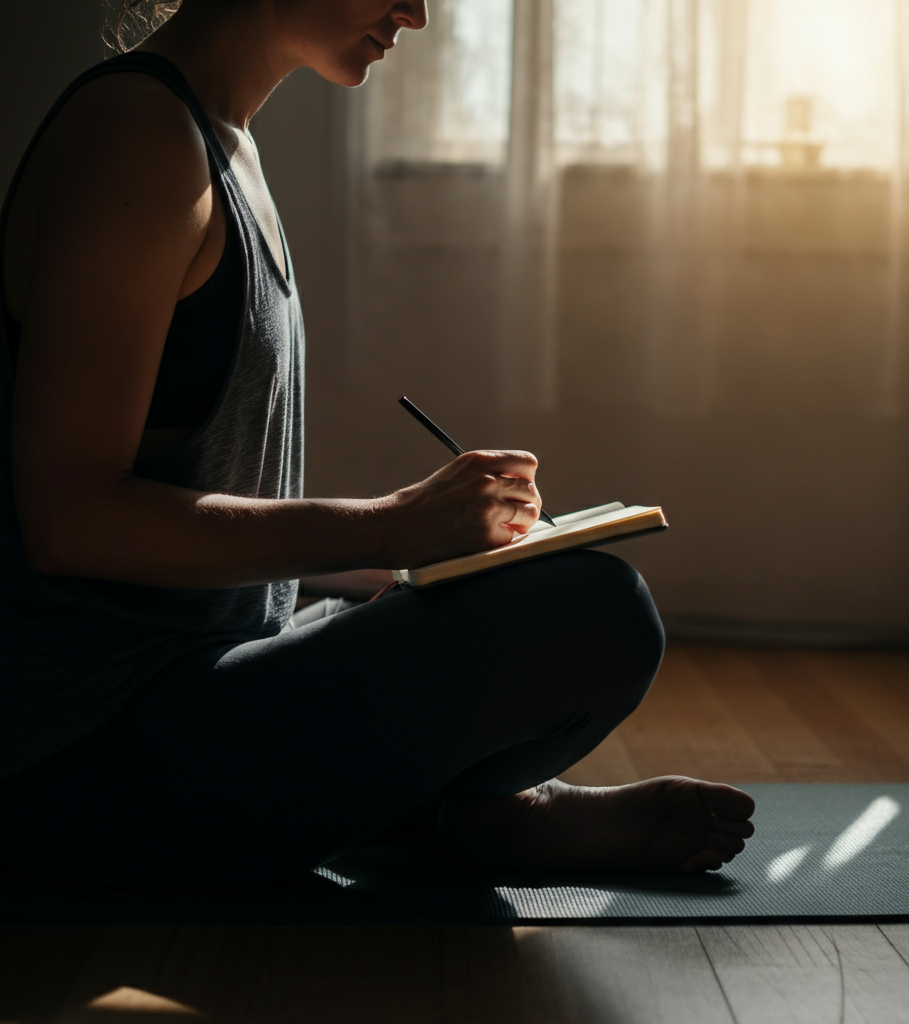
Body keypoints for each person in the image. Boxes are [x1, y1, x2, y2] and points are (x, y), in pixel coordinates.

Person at [0, 0, 754, 888]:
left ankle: (449, 809)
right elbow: (69, 521)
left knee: (498, 597)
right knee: (597, 612)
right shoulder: (138, 138)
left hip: (202, 673)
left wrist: (381, 568)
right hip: (82, 753)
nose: (419, 12)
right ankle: (473, 812)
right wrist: (387, 524)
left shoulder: (214, 139)